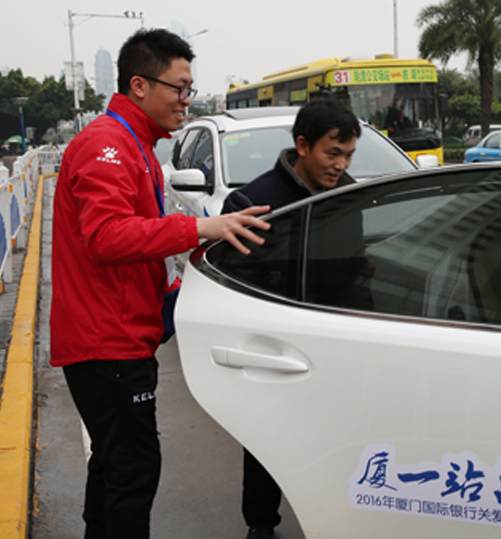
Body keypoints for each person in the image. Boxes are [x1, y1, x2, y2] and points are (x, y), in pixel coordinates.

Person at [50, 28, 270, 539]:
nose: (186, 100)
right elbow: (105, 237)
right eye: (180, 87)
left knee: (113, 466)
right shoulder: (106, 144)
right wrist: (199, 227)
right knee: (132, 471)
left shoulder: (136, 144)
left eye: (190, 88)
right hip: (107, 342)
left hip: (117, 335)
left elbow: (138, 240)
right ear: (140, 85)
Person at [222, 96, 361, 539]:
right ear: (303, 145)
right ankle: (261, 522)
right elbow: (232, 281)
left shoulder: (351, 198)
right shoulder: (254, 201)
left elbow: (357, 269)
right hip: (274, 344)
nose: (341, 165)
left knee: (335, 440)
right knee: (267, 438)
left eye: (348, 155)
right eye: (332, 153)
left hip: (334, 339)